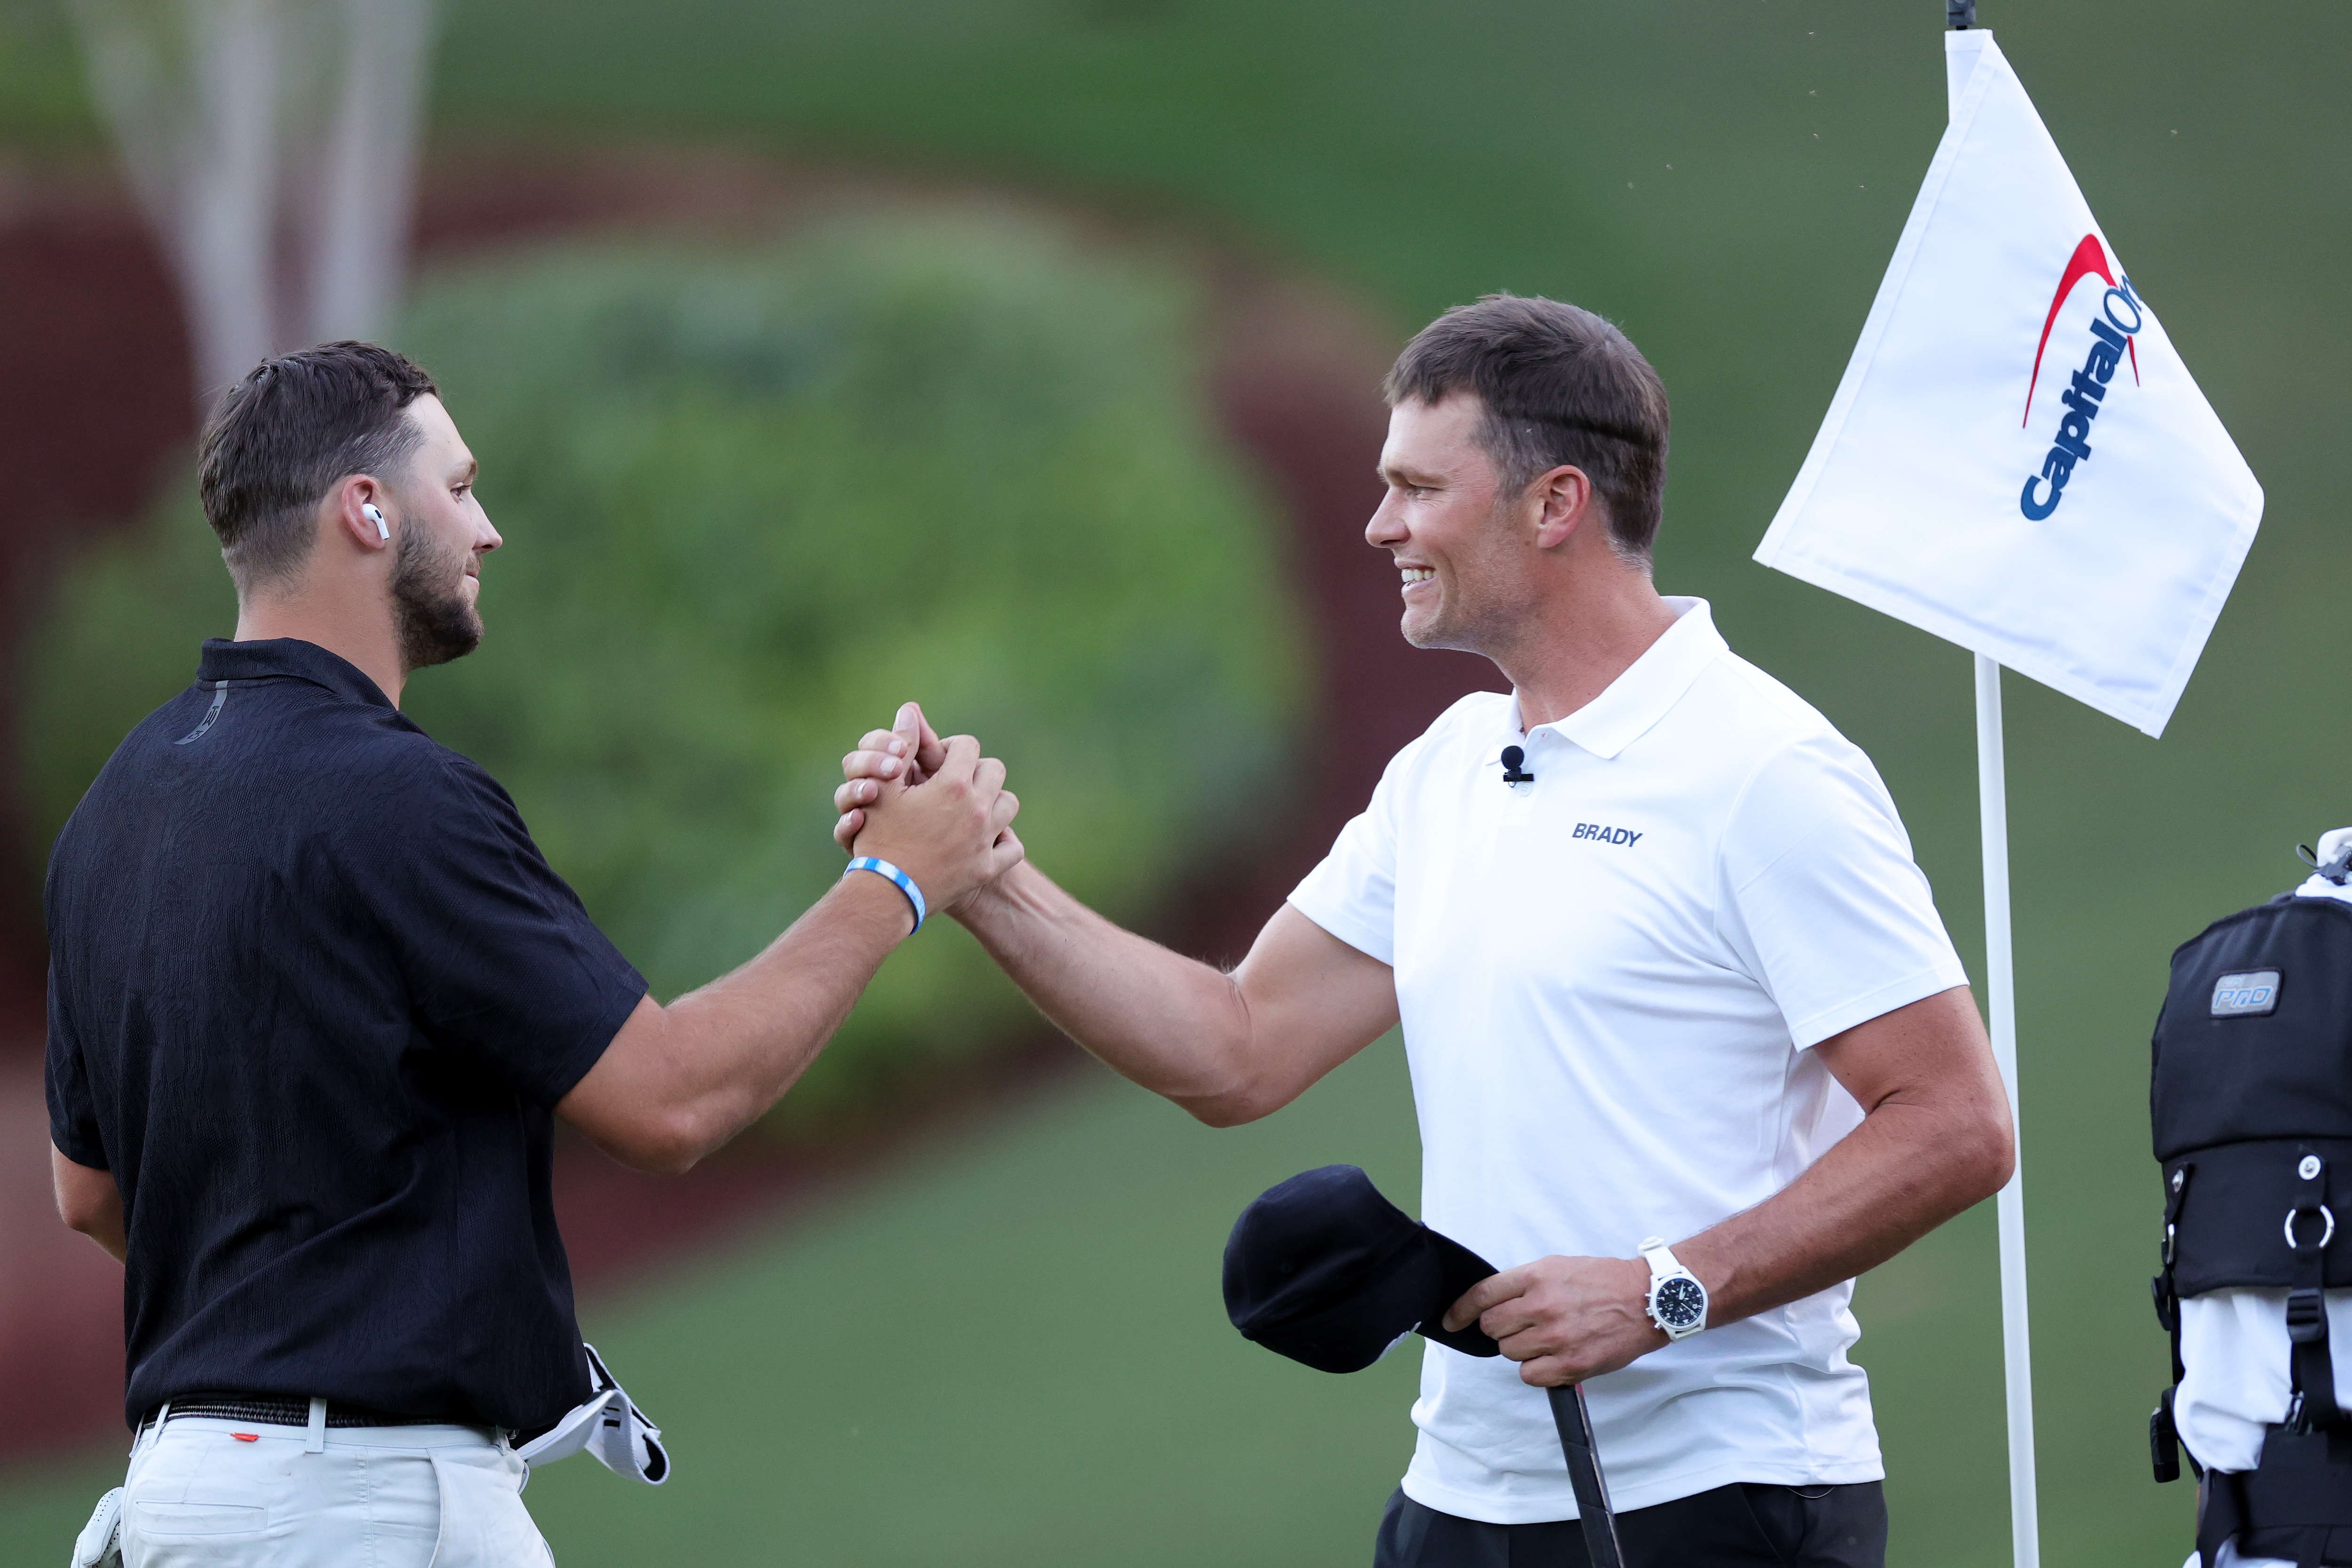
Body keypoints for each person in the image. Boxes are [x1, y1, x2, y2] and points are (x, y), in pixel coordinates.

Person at [834, 295, 2016, 1567]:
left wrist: (1667, 1289)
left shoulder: (1765, 771)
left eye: (1417, 488)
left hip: (1721, 1506)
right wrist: (980, 877)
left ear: (1553, 504)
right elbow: (1238, 1048)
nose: (1379, 524)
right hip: (1464, 1504)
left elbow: (1957, 1124)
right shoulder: (1452, 764)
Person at [45, 342, 1017, 1567]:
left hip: (185, 1500)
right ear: (367, 509)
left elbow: (87, 1193)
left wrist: (306, 1298)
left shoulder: (111, 813)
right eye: (460, 488)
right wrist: (898, 881)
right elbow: (673, 1099)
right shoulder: (401, 801)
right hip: (360, 1508)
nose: (488, 529)